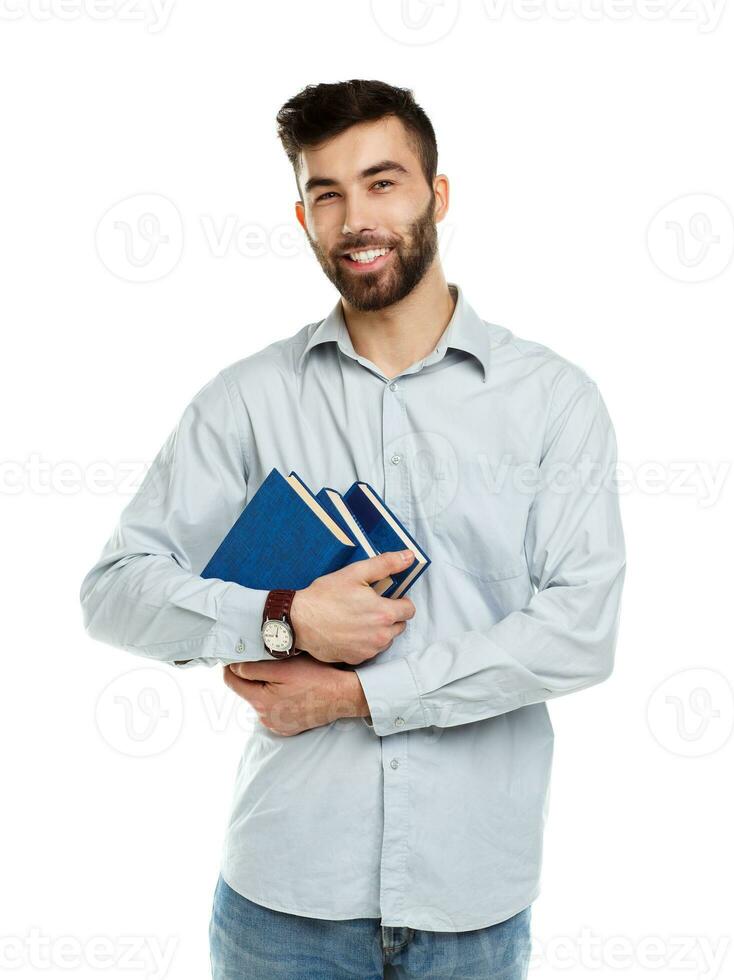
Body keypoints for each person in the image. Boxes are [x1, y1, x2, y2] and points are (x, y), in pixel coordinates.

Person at [79, 78, 626, 979]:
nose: (355, 218)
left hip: (473, 906)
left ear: (437, 196)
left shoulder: (553, 401)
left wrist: (352, 697)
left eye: (382, 183)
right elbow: (114, 593)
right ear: (302, 218)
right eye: (326, 193)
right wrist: (285, 615)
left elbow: (579, 635)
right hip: (282, 906)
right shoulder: (248, 400)